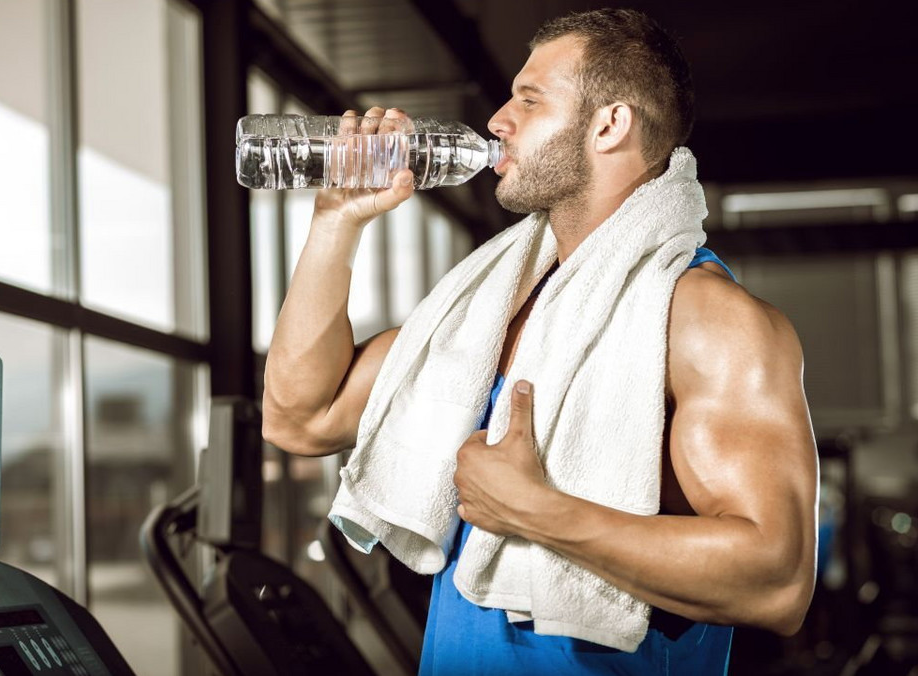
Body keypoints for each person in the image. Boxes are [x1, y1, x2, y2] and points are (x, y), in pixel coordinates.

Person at [262, 8, 817, 674]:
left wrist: (536, 512)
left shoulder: (708, 320)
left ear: (610, 124)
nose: (497, 120)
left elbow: (778, 582)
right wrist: (335, 221)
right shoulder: (489, 311)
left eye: (528, 100)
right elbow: (299, 417)